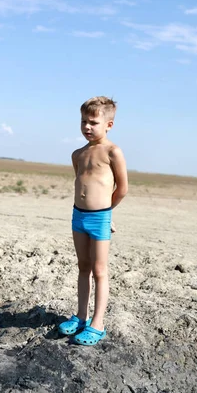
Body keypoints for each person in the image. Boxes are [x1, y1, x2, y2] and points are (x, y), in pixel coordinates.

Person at [58, 96, 128, 345]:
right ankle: (80, 317)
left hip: (99, 218)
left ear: (109, 125)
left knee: (99, 270)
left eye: (93, 122)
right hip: (78, 216)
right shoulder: (77, 154)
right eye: (83, 121)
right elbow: (81, 183)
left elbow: (122, 188)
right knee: (83, 267)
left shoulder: (113, 151)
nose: (87, 126)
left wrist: (107, 213)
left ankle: (97, 324)